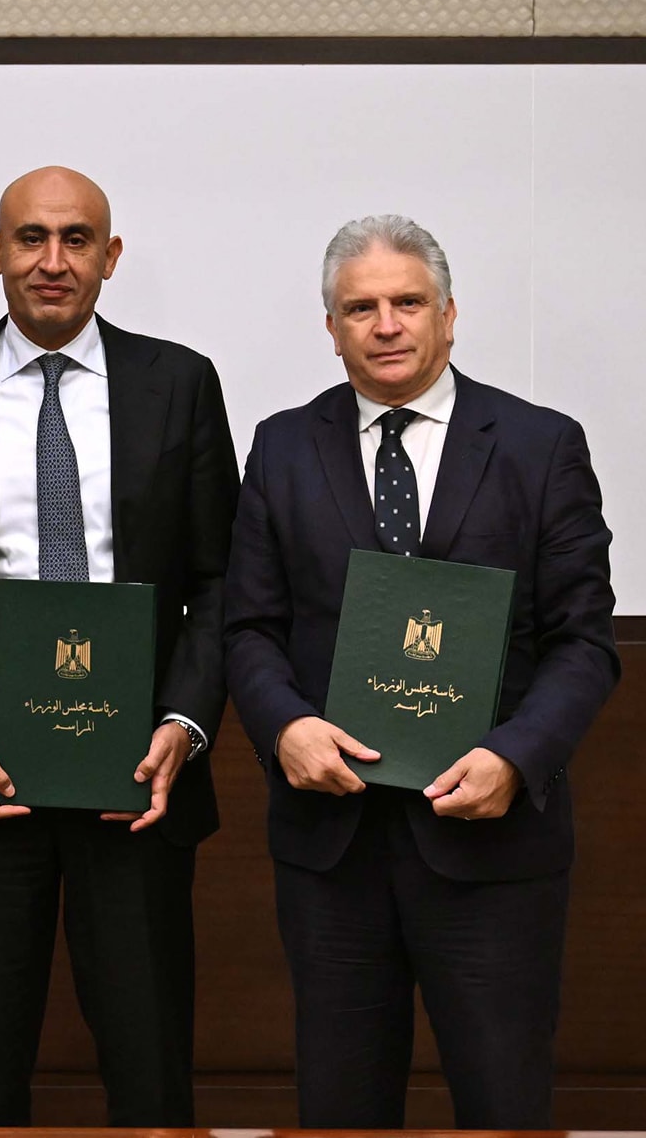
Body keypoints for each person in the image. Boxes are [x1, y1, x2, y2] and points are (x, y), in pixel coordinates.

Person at [224, 214, 618, 1128]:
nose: (386, 324)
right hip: (333, 849)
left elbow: (585, 640)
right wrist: (285, 726)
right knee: (342, 1109)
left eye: (407, 302)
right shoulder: (283, 446)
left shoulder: (539, 445)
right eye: (360, 308)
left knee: (503, 1104)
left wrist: (516, 756)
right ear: (331, 328)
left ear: (449, 313)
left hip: (492, 845)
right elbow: (249, 628)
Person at [0, 167, 238, 1126]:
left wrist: (184, 725)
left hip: (137, 779)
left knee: (151, 1070)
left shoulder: (180, 384)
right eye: (31, 238)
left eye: (77, 239)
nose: (53, 260)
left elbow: (220, 580)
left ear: (111, 257)